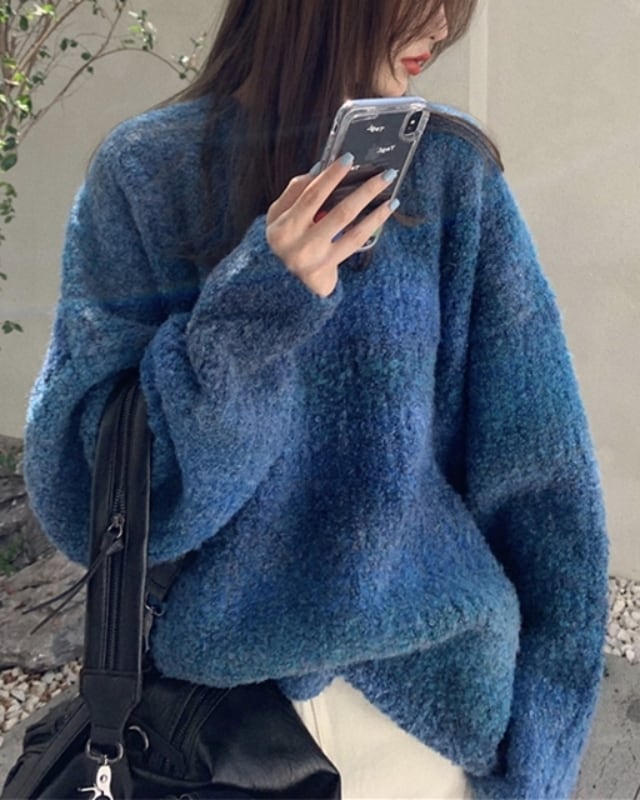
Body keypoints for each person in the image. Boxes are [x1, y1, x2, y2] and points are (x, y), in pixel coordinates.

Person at [23, 1, 609, 798]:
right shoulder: (146, 172)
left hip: (425, 723)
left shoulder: (448, 173)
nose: (442, 28)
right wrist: (256, 307)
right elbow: (90, 497)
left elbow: (543, 487)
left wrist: (540, 760)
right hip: (208, 729)